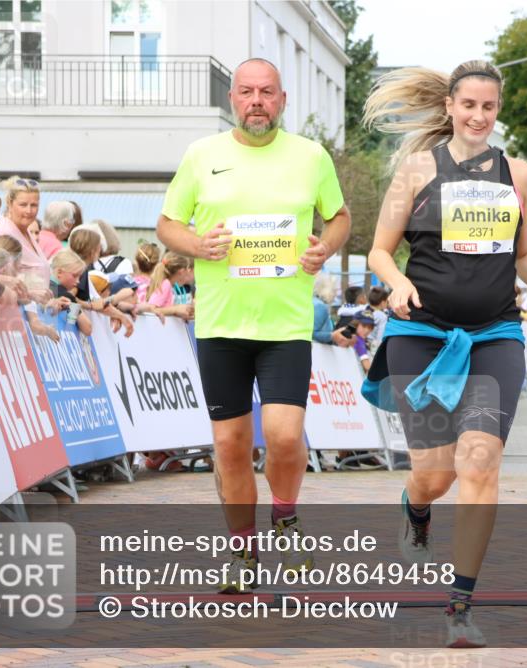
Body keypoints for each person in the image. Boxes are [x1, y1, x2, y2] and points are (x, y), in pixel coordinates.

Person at [361, 60, 527, 647]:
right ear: (450, 107)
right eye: (469, 105)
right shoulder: (416, 170)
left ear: (498, 110)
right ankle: (416, 507)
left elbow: (523, 254)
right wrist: (396, 282)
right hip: (422, 336)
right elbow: (379, 251)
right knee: (435, 474)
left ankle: (460, 607)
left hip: (494, 336)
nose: (479, 116)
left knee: (479, 461)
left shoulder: (518, 174)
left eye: (489, 106)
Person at [156, 57, 350, 589]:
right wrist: (197, 245)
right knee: (230, 446)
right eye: (247, 92)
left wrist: (325, 248)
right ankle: (243, 553)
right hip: (221, 325)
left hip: (285, 325)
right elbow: (168, 224)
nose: (257, 101)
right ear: (233, 100)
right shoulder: (202, 155)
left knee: (284, 437)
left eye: (267, 92)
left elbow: (339, 217)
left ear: (282, 100)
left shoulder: (311, 156)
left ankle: (284, 515)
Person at [0, 177, 52, 300]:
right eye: (23, 205)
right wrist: (29, 293)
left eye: (34, 205)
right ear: (10, 204)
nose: (29, 210)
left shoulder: (26, 232)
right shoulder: (2, 232)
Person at [312, 273, 353, 347]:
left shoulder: (315, 302)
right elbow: (312, 333)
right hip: (317, 349)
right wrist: (333, 336)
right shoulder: (320, 306)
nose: (336, 294)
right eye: (334, 290)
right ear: (327, 290)